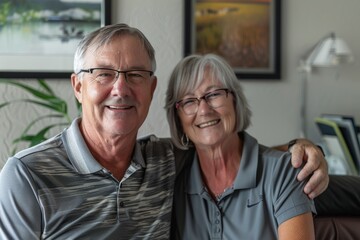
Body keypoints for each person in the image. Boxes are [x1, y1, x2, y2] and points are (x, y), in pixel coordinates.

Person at [0, 24, 326, 239]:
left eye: (136, 74)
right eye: (103, 74)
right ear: (78, 86)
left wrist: (301, 147)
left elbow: (234, 153)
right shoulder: (26, 175)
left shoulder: (164, 161)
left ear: (152, 88)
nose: (121, 88)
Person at [165, 54, 316, 239]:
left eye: (213, 95)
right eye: (189, 101)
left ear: (235, 101)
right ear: (178, 119)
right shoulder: (175, 182)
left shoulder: (284, 172)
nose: (204, 110)